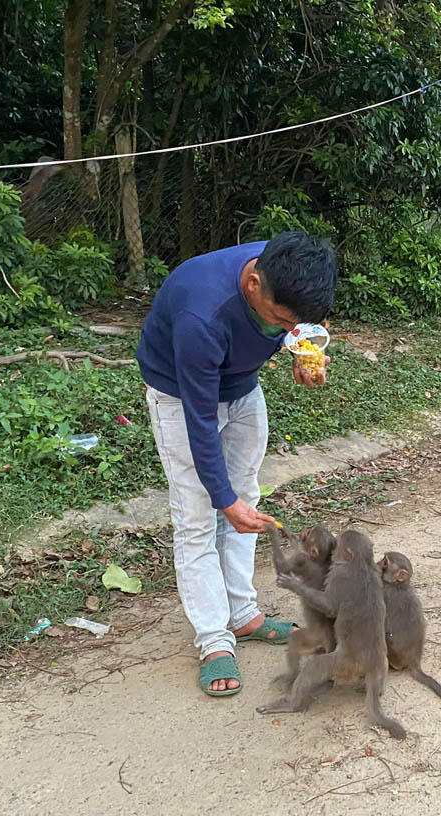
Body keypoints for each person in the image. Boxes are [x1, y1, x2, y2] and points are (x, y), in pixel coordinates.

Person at [135, 231, 336, 697]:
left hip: (242, 386)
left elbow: (301, 326)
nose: (288, 329)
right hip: (181, 395)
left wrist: (303, 351)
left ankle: (243, 615)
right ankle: (213, 639)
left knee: (247, 502)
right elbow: (200, 420)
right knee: (198, 516)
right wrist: (222, 500)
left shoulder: (288, 269)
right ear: (253, 285)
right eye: (281, 321)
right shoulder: (201, 315)